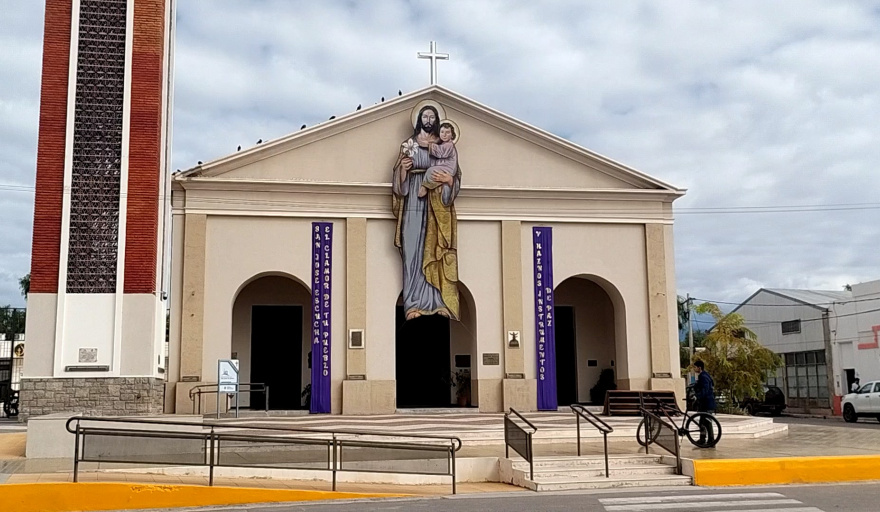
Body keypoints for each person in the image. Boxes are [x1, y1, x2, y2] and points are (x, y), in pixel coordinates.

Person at [392, 105, 461, 321]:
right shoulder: (409, 145)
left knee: (435, 250)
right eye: (425, 116)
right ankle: (413, 303)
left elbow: (454, 174)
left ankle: (438, 301)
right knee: (413, 250)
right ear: (419, 119)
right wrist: (403, 168)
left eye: (432, 117)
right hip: (414, 199)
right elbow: (397, 183)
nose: (429, 120)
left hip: (437, 205)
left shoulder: (444, 146)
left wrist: (450, 181)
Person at [418, 122, 458, 198]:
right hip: (443, 168)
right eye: (442, 132)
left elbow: (441, 153)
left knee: (431, 170)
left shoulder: (449, 145)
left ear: (452, 135)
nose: (444, 134)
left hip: (448, 168)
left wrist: (429, 145)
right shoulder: (443, 144)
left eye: (447, 132)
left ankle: (425, 187)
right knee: (432, 171)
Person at [693, 360, 717, 446]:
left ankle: (711, 440)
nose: (694, 369)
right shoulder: (704, 375)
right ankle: (703, 439)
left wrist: (697, 396)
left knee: (706, 421)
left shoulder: (703, 376)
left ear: (699, 368)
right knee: (702, 422)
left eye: (695, 367)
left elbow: (705, 389)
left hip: (706, 403)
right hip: (706, 402)